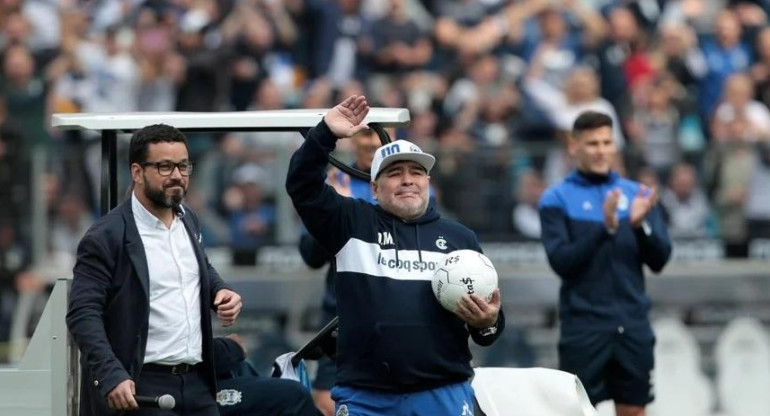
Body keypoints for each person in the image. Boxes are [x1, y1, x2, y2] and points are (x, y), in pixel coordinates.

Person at [286, 95, 505, 415]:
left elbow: (489, 325)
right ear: (374, 188)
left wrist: (487, 323)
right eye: (394, 173)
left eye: (416, 172)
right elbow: (302, 186)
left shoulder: (460, 238)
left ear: (428, 182)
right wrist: (325, 134)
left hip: (442, 392)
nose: (407, 180)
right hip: (366, 397)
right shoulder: (350, 221)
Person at [67, 124, 243, 416]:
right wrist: (112, 374)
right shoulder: (106, 236)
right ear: (137, 172)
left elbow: (199, 269)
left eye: (183, 166)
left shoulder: (188, 219)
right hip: (141, 386)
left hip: (198, 383)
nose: (177, 175)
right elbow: (82, 314)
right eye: (164, 166)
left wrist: (220, 290)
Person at [538, 111, 672, 416]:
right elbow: (562, 262)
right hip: (583, 326)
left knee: (634, 410)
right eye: (592, 143)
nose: (601, 150)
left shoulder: (638, 194)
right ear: (574, 146)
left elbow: (660, 259)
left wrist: (639, 226)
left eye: (607, 142)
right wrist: (606, 227)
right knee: (578, 411)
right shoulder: (556, 199)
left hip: (633, 323)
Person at [298, 127, 380, 416]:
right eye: (365, 135)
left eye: (379, 134)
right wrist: (333, 214)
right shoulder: (333, 184)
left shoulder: (409, 186)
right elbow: (311, 255)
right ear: (353, 140)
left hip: (390, 316)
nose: (371, 142)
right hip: (340, 317)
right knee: (327, 402)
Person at [213, 335, 321, 416]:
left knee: (243, 367)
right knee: (294, 394)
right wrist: (234, 346)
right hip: (199, 391)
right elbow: (201, 352)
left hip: (211, 373)